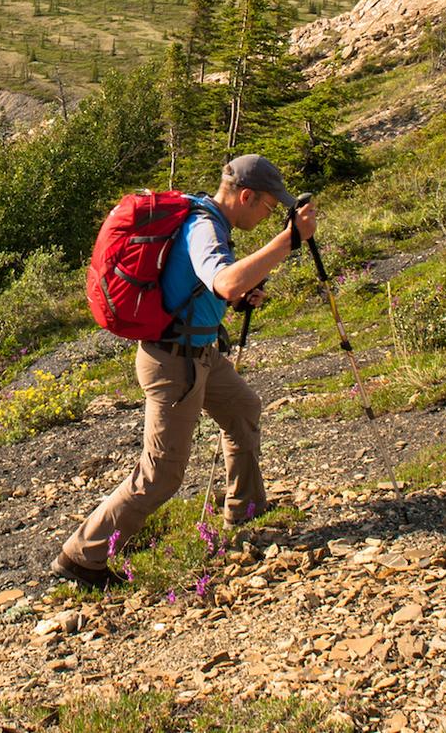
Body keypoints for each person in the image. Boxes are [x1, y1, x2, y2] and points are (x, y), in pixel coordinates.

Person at [54, 154, 317, 589]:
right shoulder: (204, 228)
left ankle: (246, 512)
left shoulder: (210, 220)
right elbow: (225, 279)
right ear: (246, 196)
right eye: (268, 207)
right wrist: (289, 241)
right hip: (175, 364)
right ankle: (83, 556)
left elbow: (211, 287)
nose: (269, 215)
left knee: (243, 410)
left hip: (201, 355)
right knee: (161, 474)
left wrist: (235, 300)